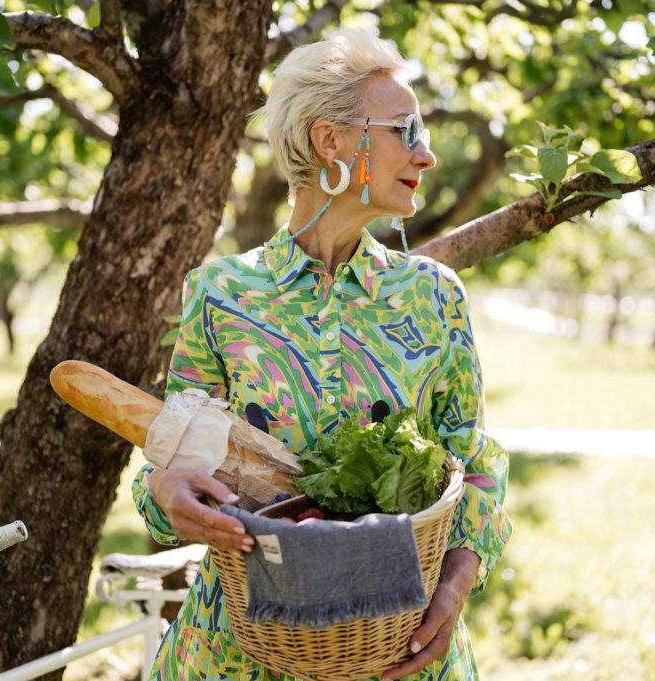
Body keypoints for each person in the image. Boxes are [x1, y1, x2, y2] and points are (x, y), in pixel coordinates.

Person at [132, 27, 512, 681]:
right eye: (404, 130)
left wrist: (452, 589)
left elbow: (475, 468)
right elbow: (169, 462)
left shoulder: (434, 297)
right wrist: (165, 490)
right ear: (329, 140)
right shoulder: (221, 295)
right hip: (239, 654)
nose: (426, 156)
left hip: (399, 650)